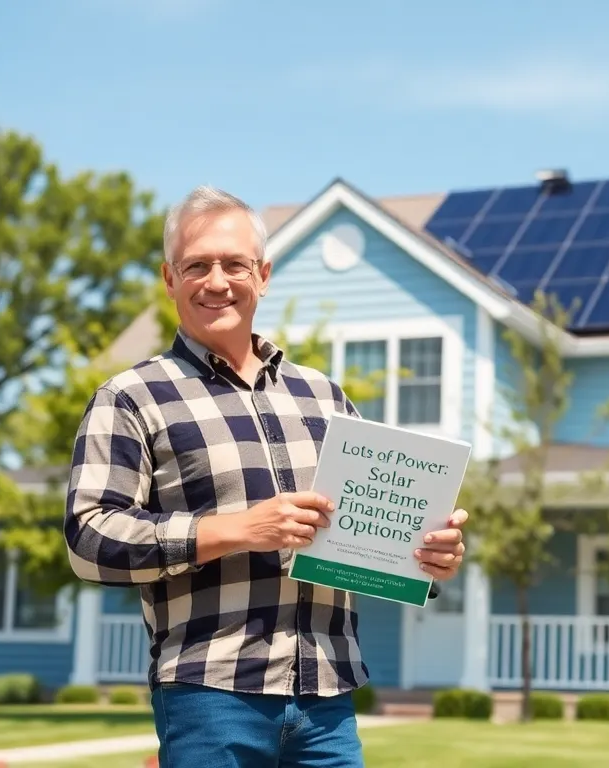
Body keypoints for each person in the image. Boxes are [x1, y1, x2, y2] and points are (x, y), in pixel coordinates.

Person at [64, 185, 469, 768]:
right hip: (210, 695)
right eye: (197, 265)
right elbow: (90, 540)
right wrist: (238, 529)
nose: (217, 281)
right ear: (168, 278)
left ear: (265, 274)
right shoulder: (132, 397)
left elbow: (371, 536)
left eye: (234, 263)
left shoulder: (325, 396)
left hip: (328, 697)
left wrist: (428, 556)